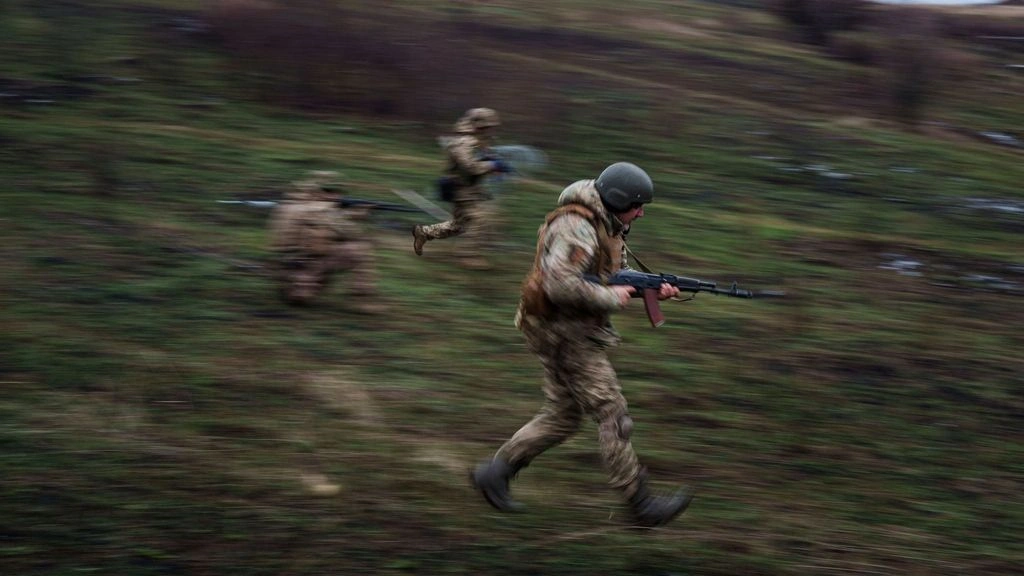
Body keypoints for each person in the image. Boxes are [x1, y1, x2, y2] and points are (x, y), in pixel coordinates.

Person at [470, 162, 693, 527]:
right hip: (564, 332)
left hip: (564, 327)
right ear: (619, 199)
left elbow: (605, 279)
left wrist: (647, 291)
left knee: (563, 416)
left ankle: (494, 473)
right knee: (611, 412)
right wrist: (612, 298)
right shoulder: (576, 227)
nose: (641, 212)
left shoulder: (607, 222)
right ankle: (641, 503)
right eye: (637, 205)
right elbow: (562, 285)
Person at [411, 107, 513, 270]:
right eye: (489, 126)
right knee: (480, 218)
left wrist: (497, 166)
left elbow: (482, 160)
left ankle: (424, 233)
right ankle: (468, 256)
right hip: (461, 188)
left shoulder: (479, 140)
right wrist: (492, 165)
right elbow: (470, 166)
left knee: (459, 225)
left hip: (472, 188)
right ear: (479, 125)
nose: (492, 130)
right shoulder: (463, 142)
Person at [267, 171, 380, 312]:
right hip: (308, 265)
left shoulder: (289, 205)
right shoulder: (321, 209)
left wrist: (345, 214)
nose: (337, 196)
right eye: (330, 191)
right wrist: (357, 216)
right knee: (360, 248)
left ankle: (298, 286)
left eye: (338, 192)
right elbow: (350, 233)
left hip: (285, 264)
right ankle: (362, 299)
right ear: (318, 190)